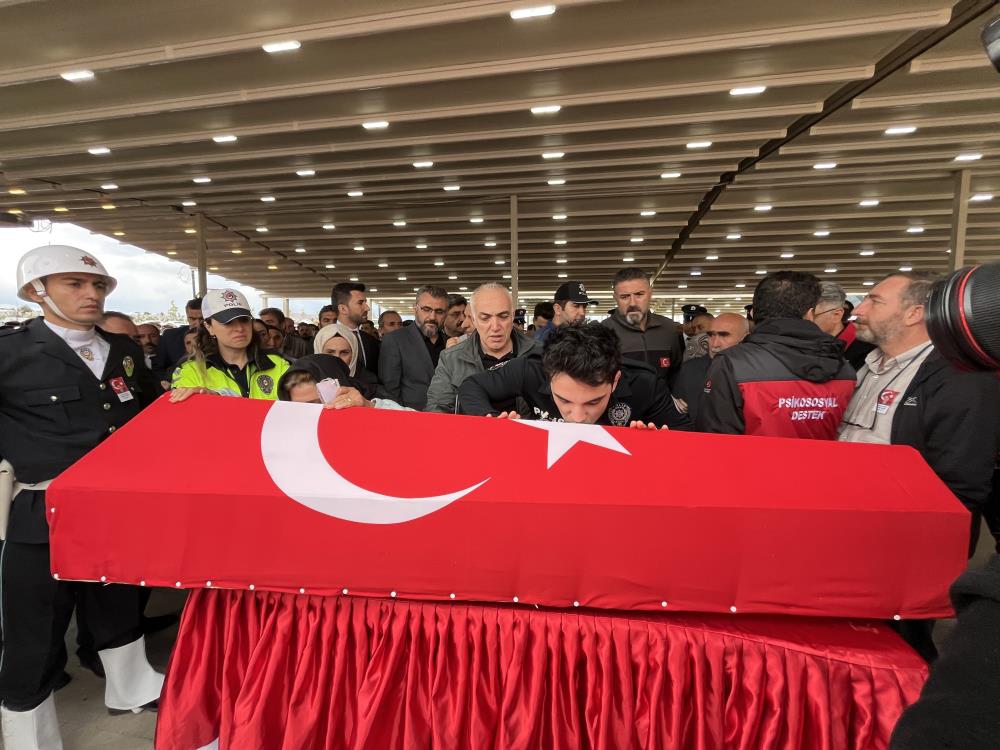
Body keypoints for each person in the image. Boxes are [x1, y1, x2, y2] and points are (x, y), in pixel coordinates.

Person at [0, 245, 164, 747]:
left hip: (114, 506)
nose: (91, 294)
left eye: (97, 286)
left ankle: (129, 687)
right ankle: (28, 730)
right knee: (36, 624)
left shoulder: (123, 351)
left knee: (117, 603)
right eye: (75, 284)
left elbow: (150, 413)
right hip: (43, 507)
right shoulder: (9, 352)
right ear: (36, 292)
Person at [839, 271, 1000, 549]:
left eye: (874, 301)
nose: (858, 311)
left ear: (914, 313)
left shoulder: (962, 379)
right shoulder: (867, 364)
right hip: (850, 520)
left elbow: (960, 484)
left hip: (902, 539)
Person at [697, 271, 855, 439]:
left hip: (753, 464)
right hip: (825, 464)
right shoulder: (844, 366)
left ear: (753, 313)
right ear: (810, 314)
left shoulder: (732, 363)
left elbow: (715, 439)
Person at [458, 321, 690, 429]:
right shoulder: (529, 368)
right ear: (548, 375)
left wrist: (658, 445)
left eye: (594, 401)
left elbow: (688, 437)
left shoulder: (645, 383)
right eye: (565, 400)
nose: (577, 418)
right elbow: (471, 386)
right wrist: (490, 420)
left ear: (615, 380)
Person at [426, 283, 540, 414]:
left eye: (503, 316)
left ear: (512, 316)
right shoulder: (451, 359)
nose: (495, 326)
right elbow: (437, 410)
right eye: (485, 318)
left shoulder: (541, 353)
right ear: (473, 320)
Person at [171, 289, 289, 400]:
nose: (239, 328)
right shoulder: (191, 370)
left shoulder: (278, 364)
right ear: (209, 327)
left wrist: (220, 399)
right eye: (228, 322)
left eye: (244, 320)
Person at [602, 268, 685, 385]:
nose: (632, 303)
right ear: (615, 298)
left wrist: (675, 397)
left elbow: (678, 372)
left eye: (639, 294)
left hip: (664, 402)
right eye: (624, 297)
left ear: (650, 293)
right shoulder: (603, 332)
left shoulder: (669, 328)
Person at [378, 286, 448, 410]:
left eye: (439, 311)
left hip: (449, 416)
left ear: (446, 313)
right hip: (411, 416)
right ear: (415, 309)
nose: (432, 317)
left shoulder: (451, 342)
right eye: (426, 309)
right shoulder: (395, 340)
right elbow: (391, 389)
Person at [673, 313, 749, 424]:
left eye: (723, 335)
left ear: (745, 338)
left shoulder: (758, 375)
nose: (715, 344)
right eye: (711, 335)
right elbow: (678, 418)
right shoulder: (689, 370)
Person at [277, 354, 408, 410]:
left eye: (318, 403)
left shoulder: (367, 402)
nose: (310, 412)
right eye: (299, 407)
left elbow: (417, 426)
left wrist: (369, 407)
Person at [811, 283, 876, 372]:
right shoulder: (806, 343)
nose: (803, 321)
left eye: (812, 316)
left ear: (836, 315)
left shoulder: (867, 348)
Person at [312, 322, 380, 398]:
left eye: (344, 352)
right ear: (319, 352)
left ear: (353, 355)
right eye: (330, 352)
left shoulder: (369, 383)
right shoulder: (304, 380)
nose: (337, 358)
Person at [333, 282, 380, 375]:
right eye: (360, 303)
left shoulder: (371, 341)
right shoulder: (324, 340)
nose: (367, 308)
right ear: (343, 309)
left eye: (365, 302)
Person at [157, 297, 203, 370]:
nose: (198, 323)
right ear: (187, 317)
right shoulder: (170, 337)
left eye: (202, 319)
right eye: (193, 319)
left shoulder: (219, 336)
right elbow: (158, 368)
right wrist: (166, 380)